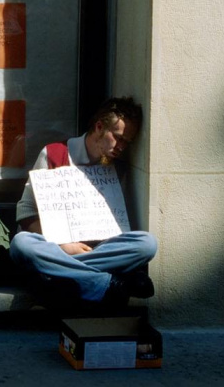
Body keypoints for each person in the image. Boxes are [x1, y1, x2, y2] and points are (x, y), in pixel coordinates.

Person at [10, 96, 157, 307]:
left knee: (147, 244)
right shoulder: (54, 153)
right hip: (56, 247)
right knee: (21, 244)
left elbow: (118, 223)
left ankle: (61, 274)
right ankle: (102, 282)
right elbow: (25, 211)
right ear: (99, 127)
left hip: (98, 249)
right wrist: (62, 244)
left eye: (128, 142)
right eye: (118, 137)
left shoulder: (116, 167)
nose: (122, 146)